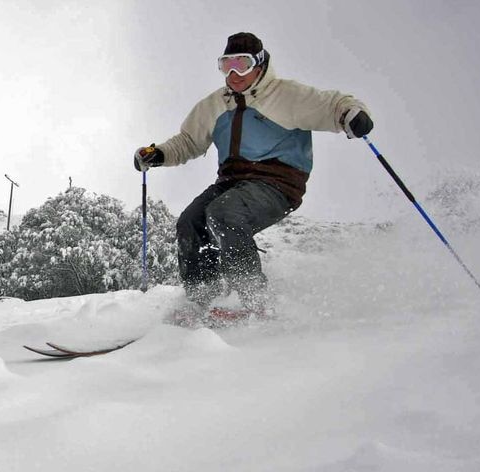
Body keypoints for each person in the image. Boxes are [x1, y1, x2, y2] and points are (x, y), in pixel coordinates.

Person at [134, 32, 373, 314]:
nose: (233, 74)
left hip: (277, 182)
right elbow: (188, 142)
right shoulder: (215, 104)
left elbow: (332, 104)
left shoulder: (286, 95)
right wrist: (158, 153)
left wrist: (350, 114)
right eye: (226, 65)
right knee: (190, 221)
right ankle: (202, 299)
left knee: (224, 213)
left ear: (259, 66)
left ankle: (250, 297)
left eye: (242, 64)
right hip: (232, 182)